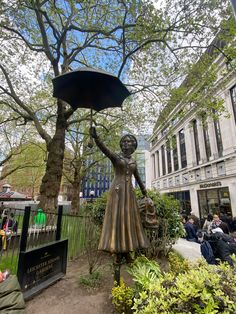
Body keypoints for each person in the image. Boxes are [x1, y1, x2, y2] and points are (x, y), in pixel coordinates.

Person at [90, 127, 149, 259]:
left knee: (128, 219)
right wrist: (96, 138)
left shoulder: (133, 161)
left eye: (129, 142)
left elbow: (138, 178)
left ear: (133, 146)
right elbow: (105, 149)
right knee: (118, 218)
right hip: (117, 191)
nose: (126, 143)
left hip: (129, 193)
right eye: (124, 142)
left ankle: (127, 249)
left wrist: (145, 192)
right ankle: (116, 250)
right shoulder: (116, 157)